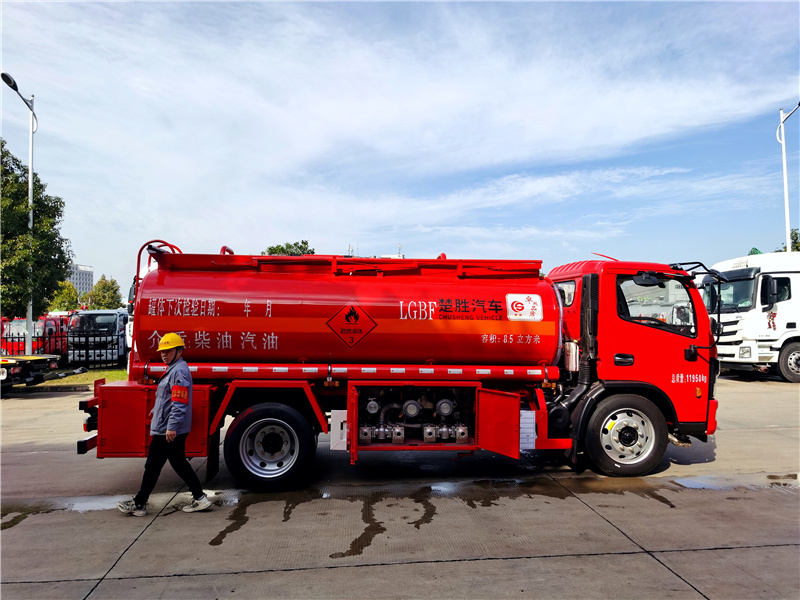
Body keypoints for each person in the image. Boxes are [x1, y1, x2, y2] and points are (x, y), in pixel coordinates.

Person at [118, 332, 211, 516]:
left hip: (168, 430)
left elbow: (179, 402)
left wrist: (171, 427)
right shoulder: (174, 369)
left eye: (168, 351)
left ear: (180, 351)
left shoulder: (178, 371)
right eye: (162, 351)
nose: (164, 354)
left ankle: (139, 503)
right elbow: (168, 400)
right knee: (176, 463)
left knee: (154, 465)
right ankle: (200, 498)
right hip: (167, 427)